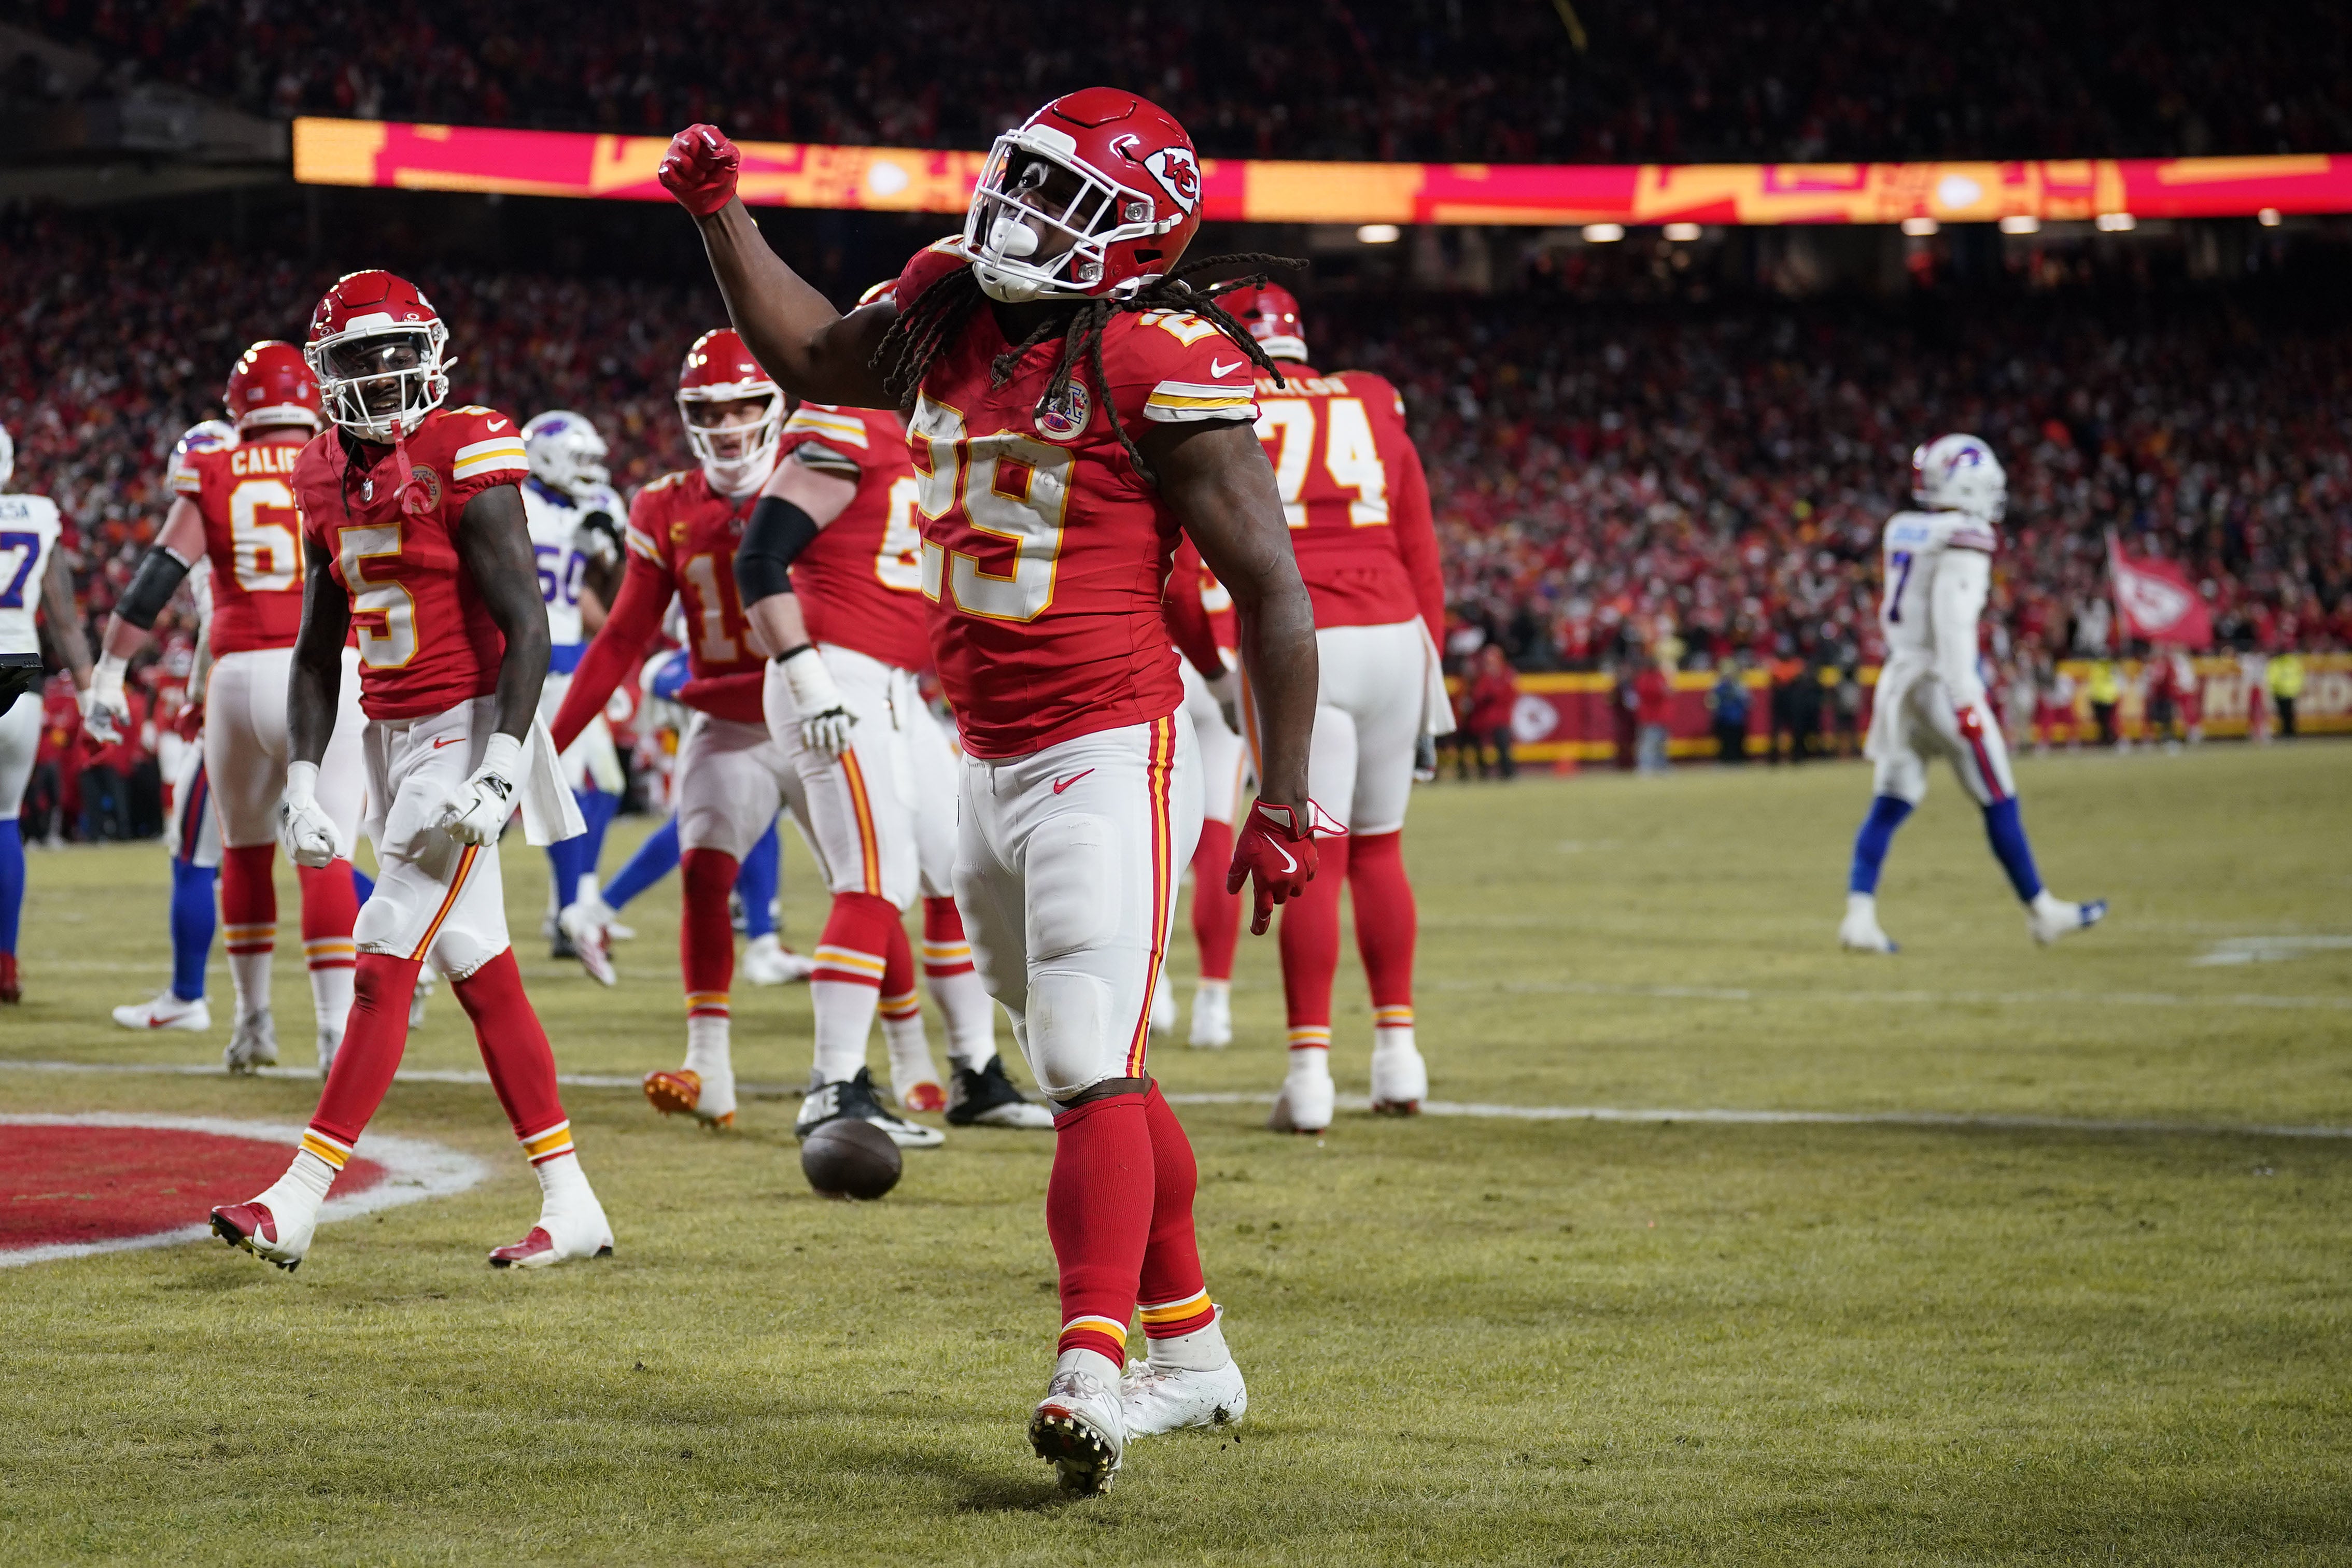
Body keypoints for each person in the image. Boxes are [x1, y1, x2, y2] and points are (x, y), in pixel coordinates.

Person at [660, 90, 1322, 1493]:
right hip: (981, 753)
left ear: (1135, 233)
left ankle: (1095, 1366)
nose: (1018, 218)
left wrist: (1282, 799)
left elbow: (1273, 587)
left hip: (1107, 741)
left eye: (1063, 202)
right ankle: (1197, 1352)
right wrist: (720, 215)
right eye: (1020, 185)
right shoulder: (948, 299)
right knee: (1099, 1068)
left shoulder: (1158, 352)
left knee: (1085, 1051)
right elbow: (808, 350)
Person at [209, 269, 611, 1271]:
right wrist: (304, 779)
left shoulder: (464, 448)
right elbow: (314, 646)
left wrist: (504, 763)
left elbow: (530, 624)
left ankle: (295, 1199)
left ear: (433, 352)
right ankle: (573, 1201)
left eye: (401, 354)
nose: (388, 377)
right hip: (390, 733)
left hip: (473, 725)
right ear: (327, 374)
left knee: (384, 945)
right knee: (480, 970)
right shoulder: (315, 475)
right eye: (362, 359)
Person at [550, 330, 937, 1147]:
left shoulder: (824, 471)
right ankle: (710, 1071)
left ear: (776, 406)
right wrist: (548, 742)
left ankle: (913, 1065)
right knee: (705, 872)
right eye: (706, 410)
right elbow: (621, 635)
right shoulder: (663, 502)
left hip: (820, 705)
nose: (725, 425)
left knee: (867, 882)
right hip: (729, 725)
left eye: (741, 406)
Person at [727, 351, 1054, 1129]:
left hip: (898, 690)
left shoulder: (936, 439)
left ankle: (976, 1072)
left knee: (960, 875)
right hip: (834, 676)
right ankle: (832, 1086)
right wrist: (807, 678)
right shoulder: (852, 426)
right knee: (875, 879)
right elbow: (759, 559)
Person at [88, 348, 370, 1070]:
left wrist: (111, 669)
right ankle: (336, 1031)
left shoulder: (213, 469)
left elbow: (156, 579)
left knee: (242, 856)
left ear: (239, 405)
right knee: (327, 852)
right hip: (325, 669)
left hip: (237, 677)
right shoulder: (344, 459)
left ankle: (252, 1024)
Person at [1224, 280, 1445, 1129]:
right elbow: (1421, 548)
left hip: (1299, 637)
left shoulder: (1222, 393)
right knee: (1382, 852)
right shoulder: (1369, 399)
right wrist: (1431, 676)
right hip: (1395, 631)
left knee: (1306, 849)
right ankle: (1398, 1061)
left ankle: (1309, 1076)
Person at [1839, 435, 2106, 954]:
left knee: (1889, 803)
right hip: (1941, 682)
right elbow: (1953, 624)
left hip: (1901, 683)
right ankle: (2041, 911)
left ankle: (1858, 914)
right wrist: (1965, 700)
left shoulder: (1903, 527)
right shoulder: (1964, 534)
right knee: (1998, 795)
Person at [517, 409, 628, 977]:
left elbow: (588, 598)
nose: (590, 472)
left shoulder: (577, 508)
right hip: (533, 664)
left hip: (573, 662)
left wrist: (606, 553)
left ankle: (574, 903)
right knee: (558, 795)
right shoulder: (519, 504)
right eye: (579, 459)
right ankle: (571, 908)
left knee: (598, 786)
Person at [0, 420, 97, 1004]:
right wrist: (90, 694)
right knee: (5, 818)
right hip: (22, 679)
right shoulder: (36, 514)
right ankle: (5, 963)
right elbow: (64, 617)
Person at [1633, 652, 1673, 774]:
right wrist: (1664, 691)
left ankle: (1661, 766)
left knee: (1661, 744)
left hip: (1661, 716)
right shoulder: (1645, 677)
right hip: (1650, 717)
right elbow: (1649, 693)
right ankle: (1645, 768)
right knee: (1649, 744)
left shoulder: (1659, 676)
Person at [1708, 658, 1750, 762]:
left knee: (1737, 741)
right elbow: (1711, 702)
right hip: (1724, 718)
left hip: (1737, 719)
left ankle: (1738, 759)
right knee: (1725, 742)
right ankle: (1726, 759)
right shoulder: (1719, 686)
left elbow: (1748, 702)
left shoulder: (1739, 686)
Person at [2267, 649, 2304, 738]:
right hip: (2288, 692)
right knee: (2287, 715)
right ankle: (2289, 732)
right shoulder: (2292, 663)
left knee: (2285, 715)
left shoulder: (2276, 663)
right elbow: (2299, 676)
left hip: (2282, 692)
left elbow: (2272, 678)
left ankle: (2288, 733)